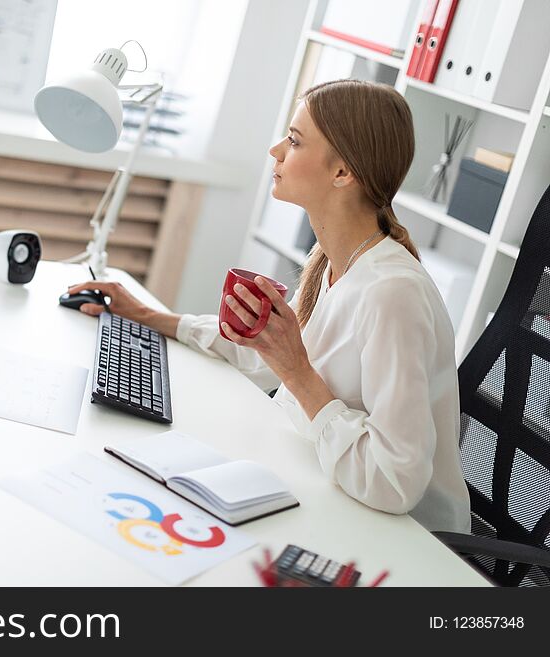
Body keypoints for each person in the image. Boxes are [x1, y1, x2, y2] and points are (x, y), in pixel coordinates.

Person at [67, 79, 471, 534]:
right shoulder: (333, 260)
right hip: (324, 485)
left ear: (342, 173)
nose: (275, 150)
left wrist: (297, 372)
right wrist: (146, 314)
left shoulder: (392, 294)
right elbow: (256, 356)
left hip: (406, 539)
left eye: (295, 141)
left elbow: (396, 484)